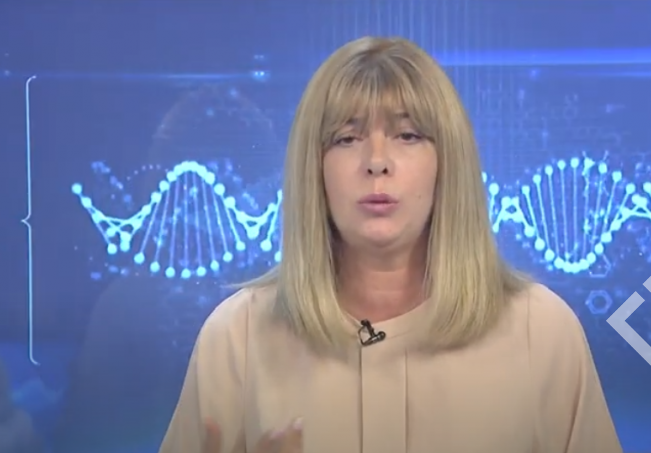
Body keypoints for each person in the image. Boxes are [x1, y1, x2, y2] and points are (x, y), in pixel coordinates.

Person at [159, 36, 622, 453]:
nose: (377, 162)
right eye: (347, 138)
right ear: (313, 168)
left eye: (408, 135)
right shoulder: (237, 337)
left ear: (448, 162)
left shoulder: (542, 332)